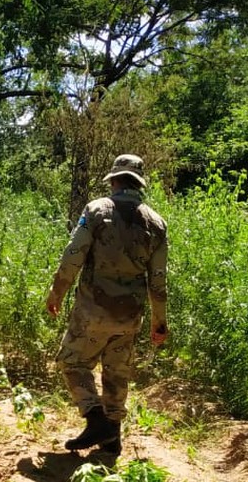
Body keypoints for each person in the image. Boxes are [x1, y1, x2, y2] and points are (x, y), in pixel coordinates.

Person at [44, 154, 169, 455]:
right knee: (116, 372)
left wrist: (56, 292)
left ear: (114, 180)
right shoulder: (157, 223)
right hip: (129, 315)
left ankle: (96, 418)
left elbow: (73, 255)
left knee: (71, 361)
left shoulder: (97, 210)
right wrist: (160, 322)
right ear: (138, 183)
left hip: (92, 310)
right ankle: (112, 439)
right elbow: (159, 279)